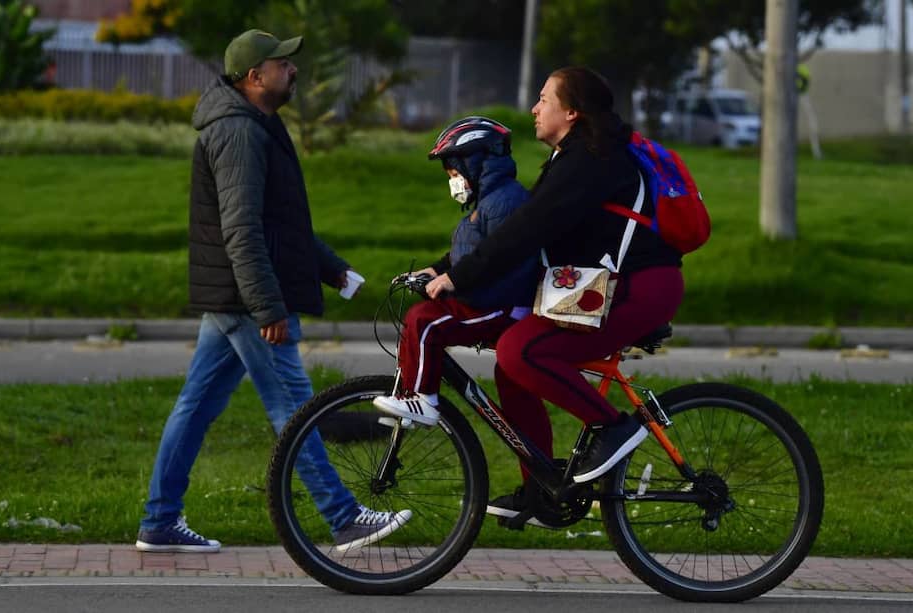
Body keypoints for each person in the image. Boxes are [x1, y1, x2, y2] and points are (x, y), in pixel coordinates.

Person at [135, 29, 410, 553]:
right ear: (254, 76)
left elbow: (279, 219)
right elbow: (243, 229)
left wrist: (329, 267)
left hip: (235, 296)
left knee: (195, 407)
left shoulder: (257, 124)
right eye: (283, 64)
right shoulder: (240, 133)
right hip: (249, 299)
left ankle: (160, 521)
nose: (294, 71)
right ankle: (344, 518)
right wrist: (267, 305)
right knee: (293, 407)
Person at [425, 67, 685, 521]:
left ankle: (612, 426)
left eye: (543, 98)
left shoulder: (591, 160)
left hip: (638, 289)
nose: (534, 108)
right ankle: (541, 490)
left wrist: (462, 278)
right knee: (512, 369)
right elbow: (518, 225)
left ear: (571, 111)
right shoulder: (574, 157)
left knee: (520, 350)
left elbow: (528, 230)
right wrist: (446, 267)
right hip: (601, 289)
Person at [372, 116, 538, 424]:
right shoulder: (487, 202)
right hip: (489, 299)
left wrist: (454, 280)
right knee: (418, 320)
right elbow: (468, 253)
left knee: (425, 322)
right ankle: (408, 395)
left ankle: (423, 398)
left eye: (453, 168)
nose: (452, 177)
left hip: (507, 305)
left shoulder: (506, 201)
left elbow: (498, 257)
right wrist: (436, 270)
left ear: (474, 161)